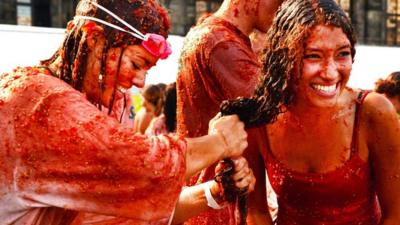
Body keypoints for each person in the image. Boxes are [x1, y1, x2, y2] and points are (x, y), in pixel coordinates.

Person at [0, 0, 251, 224]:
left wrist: (213, 192)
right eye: (136, 63)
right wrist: (220, 142)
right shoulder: (39, 99)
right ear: (93, 37)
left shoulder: (105, 103)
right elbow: (142, 164)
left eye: (148, 69)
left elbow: (120, 216)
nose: (142, 81)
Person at [221, 0, 400, 224]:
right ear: (283, 58)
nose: (330, 72)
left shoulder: (373, 112)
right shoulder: (260, 117)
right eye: (313, 56)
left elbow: (396, 215)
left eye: (342, 54)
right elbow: (257, 213)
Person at [176, 0, 283, 224]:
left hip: (212, 199)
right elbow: (283, 115)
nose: (286, 8)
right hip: (214, 205)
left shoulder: (215, 35)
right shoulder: (220, 41)